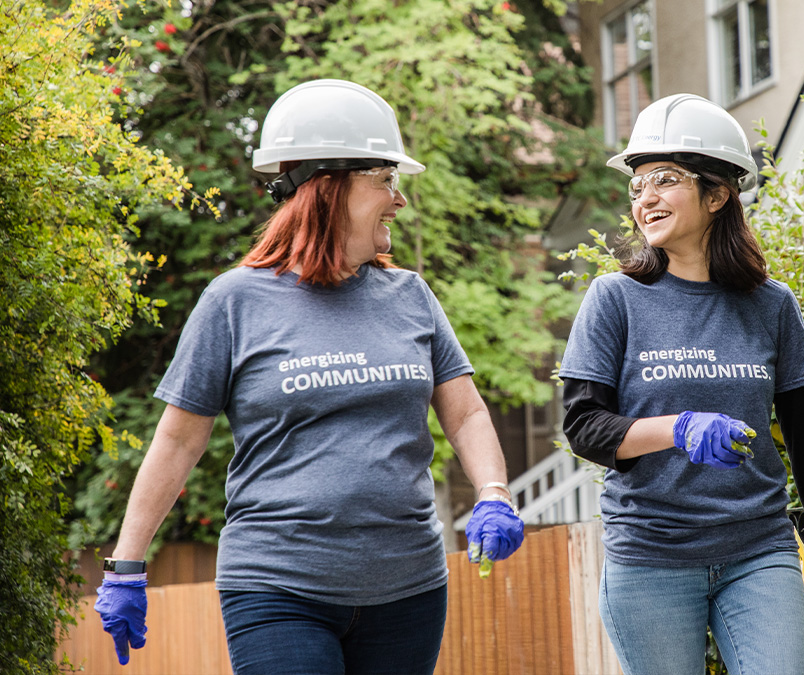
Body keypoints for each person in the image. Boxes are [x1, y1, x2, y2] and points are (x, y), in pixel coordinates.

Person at [93, 79, 524, 674]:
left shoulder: (411, 296)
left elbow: (466, 410)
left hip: (409, 588)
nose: (399, 201)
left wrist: (494, 493)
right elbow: (178, 439)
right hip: (277, 587)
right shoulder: (234, 301)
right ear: (329, 188)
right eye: (385, 181)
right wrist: (126, 566)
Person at [558, 93, 804, 675]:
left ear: (717, 194)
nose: (646, 198)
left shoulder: (770, 305)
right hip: (651, 555)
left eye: (664, 180)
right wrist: (679, 429)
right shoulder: (614, 299)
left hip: (757, 548)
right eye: (637, 185)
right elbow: (584, 427)